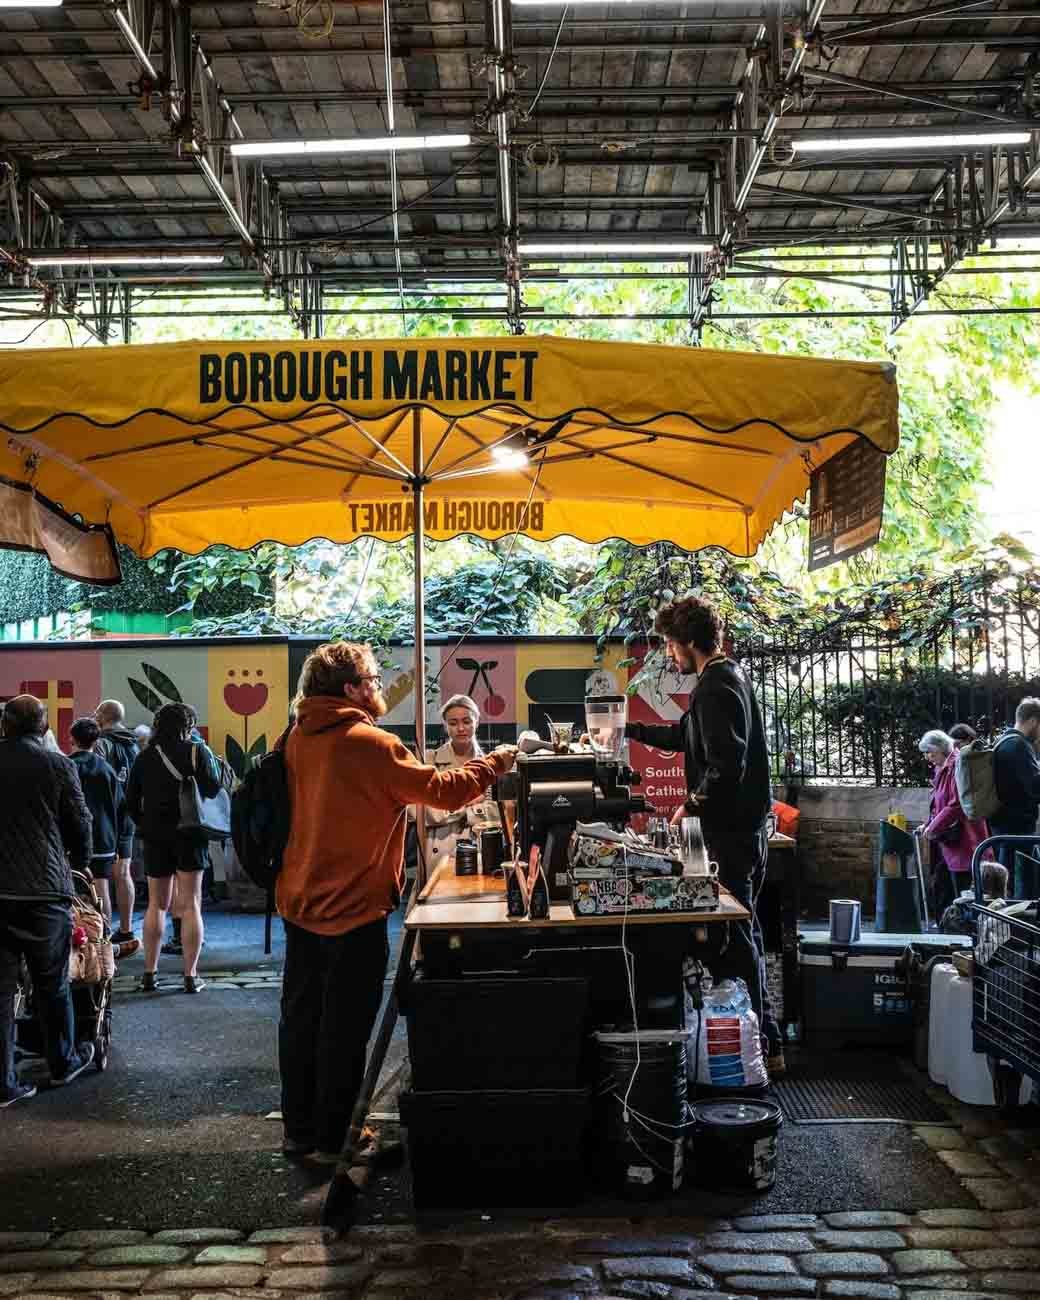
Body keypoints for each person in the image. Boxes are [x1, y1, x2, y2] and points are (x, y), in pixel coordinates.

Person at [276, 641, 516, 1185]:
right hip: (351, 908)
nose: (380, 685)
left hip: (299, 900)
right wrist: (498, 761)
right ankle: (336, 1142)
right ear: (351, 689)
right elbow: (444, 790)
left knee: (301, 1021)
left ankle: (301, 1129)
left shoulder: (296, 736)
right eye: (373, 677)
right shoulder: (369, 743)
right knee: (343, 1029)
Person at [624, 595, 783, 1075]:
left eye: (671, 645)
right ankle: (763, 1039)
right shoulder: (721, 679)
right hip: (737, 829)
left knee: (737, 933)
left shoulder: (716, 685)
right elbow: (684, 737)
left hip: (729, 834)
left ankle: (759, 1043)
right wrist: (625, 729)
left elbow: (726, 763)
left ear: (690, 642)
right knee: (743, 930)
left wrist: (686, 807)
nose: (670, 655)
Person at [0, 695, 96, 1106]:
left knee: (1, 991)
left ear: (4, 725)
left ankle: (4, 1082)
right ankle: (62, 1061)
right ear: (43, 728)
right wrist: (82, 862)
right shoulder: (59, 765)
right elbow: (79, 822)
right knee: (51, 983)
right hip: (44, 891)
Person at [125, 703, 221, 994]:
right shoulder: (196, 751)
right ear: (189, 726)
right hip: (190, 835)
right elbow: (214, 789)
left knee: (157, 905)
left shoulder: (144, 758)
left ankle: (150, 974)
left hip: (156, 836)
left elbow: (130, 801)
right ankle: (191, 976)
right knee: (191, 904)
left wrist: (146, 823)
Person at [918, 728, 990, 918]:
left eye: (929, 752)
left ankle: (962, 934)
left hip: (965, 839)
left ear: (941, 749)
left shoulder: (957, 765)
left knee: (963, 894)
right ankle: (949, 930)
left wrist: (933, 827)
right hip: (950, 841)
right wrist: (928, 824)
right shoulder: (941, 767)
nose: (927, 757)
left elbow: (955, 804)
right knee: (946, 890)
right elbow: (938, 804)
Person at [425, 694, 502, 869]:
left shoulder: (490, 765)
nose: (460, 728)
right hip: (439, 855)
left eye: (467, 721)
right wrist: (469, 802)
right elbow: (424, 812)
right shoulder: (430, 762)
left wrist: (449, 805)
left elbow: (498, 813)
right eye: (453, 723)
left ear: (476, 722)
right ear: (445, 726)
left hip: (481, 854)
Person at [68, 717, 126, 927]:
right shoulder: (107, 769)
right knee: (101, 888)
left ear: (71, 738)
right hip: (104, 838)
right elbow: (120, 806)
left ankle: (81, 941)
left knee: (74, 891)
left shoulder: (68, 766)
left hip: (74, 838)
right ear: (96, 741)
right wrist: (118, 841)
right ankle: (105, 936)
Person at [94, 700, 141, 944]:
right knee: (123, 873)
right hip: (129, 815)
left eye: (97, 712)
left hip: (106, 816)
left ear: (104, 716)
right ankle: (126, 929)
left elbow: (97, 779)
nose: (94, 715)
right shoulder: (135, 744)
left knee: (101, 875)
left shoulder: (101, 743)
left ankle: (105, 934)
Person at [990, 698, 1040, 870]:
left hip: (1001, 828)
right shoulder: (1020, 746)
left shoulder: (1002, 741)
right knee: (1022, 888)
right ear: (1033, 721)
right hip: (1018, 831)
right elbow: (1035, 788)